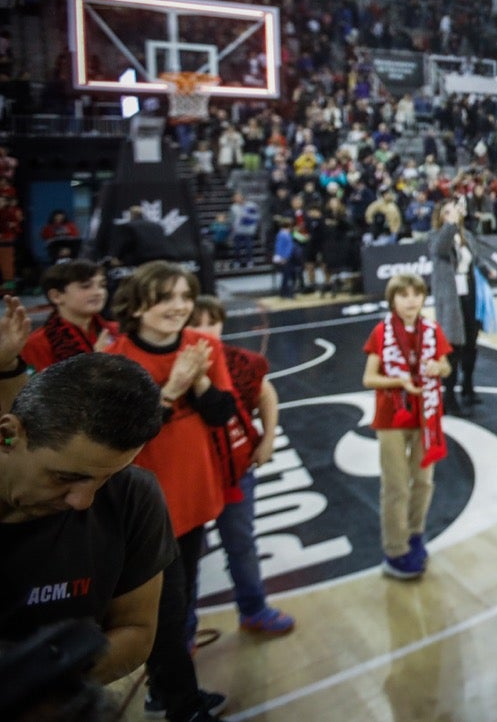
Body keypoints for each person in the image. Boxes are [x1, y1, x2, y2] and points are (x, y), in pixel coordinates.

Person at [104, 262, 236, 722]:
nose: (179, 306)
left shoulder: (206, 346)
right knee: (167, 611)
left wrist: (197, 377)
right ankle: (184, 707)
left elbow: (222, 413)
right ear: (137, 304)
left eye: (185, 295)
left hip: (196, 495)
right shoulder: (118, 359)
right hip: (148, 507)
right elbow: (123, 437)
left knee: (183, 598)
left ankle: (163, 690)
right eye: (165, 297)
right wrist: (173, 386)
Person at [0, 351, 175, 689]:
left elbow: (136, 630)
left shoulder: (133, 495)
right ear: (8, 435)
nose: (83, 501)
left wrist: (36, 693)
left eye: (108, 477)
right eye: (64, 477)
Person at [186, 296, 295, 635]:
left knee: (242, 544)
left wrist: (267, 439)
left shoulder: (238, 362)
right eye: (197, 323)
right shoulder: (171, 366)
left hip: (234, 471)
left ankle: (253, 608)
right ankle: (183, 630)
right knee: (184, 558)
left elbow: (266, 393)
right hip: (189, 476)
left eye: (212, 322)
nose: (206, 330)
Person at [362, 274, 451, 579]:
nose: (411, 300)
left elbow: (445, 365)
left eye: (416, 294)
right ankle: (395, 549)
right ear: (392, 300)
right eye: (403, 295)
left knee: (424, 481)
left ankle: (416, 533)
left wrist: (439, 367)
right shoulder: (380, 332)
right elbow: (368, 378)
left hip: (426, 417)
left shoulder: (432, 329)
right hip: (392, 418)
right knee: (396, 485)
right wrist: (399, 381)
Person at [14, 261, 117, 407]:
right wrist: (94, 363)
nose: (98, 292)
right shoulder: (36, 343)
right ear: (56, 296)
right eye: (86, 286)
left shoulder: (119, 331)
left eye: (101, 285)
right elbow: (38, 400)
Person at [428, 199, 493, 415]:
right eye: (446, 212)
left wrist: (487, 269)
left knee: (471, 345)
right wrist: (452, 224)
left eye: (453, 212)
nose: (451, 215)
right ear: (440, 217)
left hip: (470, 296)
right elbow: (440, 248)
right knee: (452, 348)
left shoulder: (467, 237)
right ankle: (448, 397)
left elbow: (475, 259)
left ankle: (467, 387)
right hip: (450, 300)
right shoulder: (437, 236)